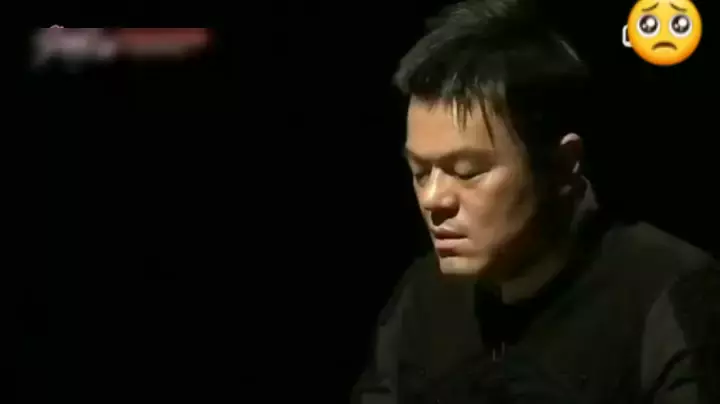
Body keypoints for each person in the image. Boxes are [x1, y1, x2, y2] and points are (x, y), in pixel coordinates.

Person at [351, 1, 720, 403]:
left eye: (467, 171)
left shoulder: (669, 292)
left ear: (563, 165)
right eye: (421, 172)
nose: (434, 199)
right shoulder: (421, 298)